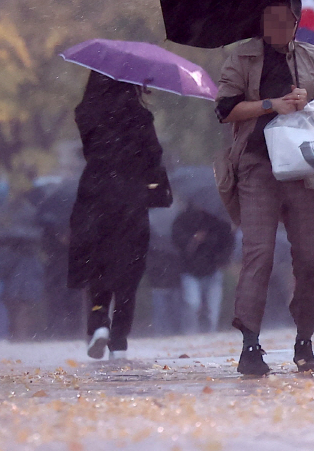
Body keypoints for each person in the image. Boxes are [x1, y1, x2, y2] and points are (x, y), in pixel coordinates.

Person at [216, 3, 314, 376]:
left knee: (307, 257)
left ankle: (304, 339)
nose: (280, 28)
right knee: (259, 254)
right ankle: (250, 344)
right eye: (271, 20)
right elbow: (224, 109)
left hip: (304, 169)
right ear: (261, 23)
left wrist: (309, 103)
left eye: (287, 21)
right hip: (257, 166)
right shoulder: (242, 57)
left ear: (297, 23)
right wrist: (271, 105)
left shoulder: (313, 58)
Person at [68, 72, 167, 360]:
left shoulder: (86, 113)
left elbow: (89, 150)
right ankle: (120, 339)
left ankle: (99, 321)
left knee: (97, 261)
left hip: (94, 193)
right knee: (128, 266)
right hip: (130, 196)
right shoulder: (139, 116)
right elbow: (154, 156)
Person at [172, 202, 235, 333]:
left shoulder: (218, 222)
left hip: (212, 269)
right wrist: (194, 240)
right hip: (189, 270)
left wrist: (221, 258)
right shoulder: (183, 220)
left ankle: (210, 332)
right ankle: (191, 332)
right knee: (192, 304)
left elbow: (227, 242)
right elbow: (177, 242)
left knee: (212, 307)